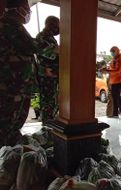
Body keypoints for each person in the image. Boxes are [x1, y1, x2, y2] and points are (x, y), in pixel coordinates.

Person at [0, 0, 36, 146]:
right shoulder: (10, 25)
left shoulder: (12, 25)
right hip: (10, 88)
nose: (29, 12)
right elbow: (34, 46)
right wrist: (56, 48)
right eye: (27, 8)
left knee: (12, 127)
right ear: (20, 9)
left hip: (15, 87)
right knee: (6, 126)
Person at [36, 16, 60, 126]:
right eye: (58, 26)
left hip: (51, 75)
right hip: (47, 75)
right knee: (48, 102)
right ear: (52, 25)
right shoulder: (43, 36)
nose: (59, 29)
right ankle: (47, 127)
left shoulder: (49, 37)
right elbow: (47, 52)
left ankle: (49, 125)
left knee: (51, 102)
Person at [106, 46, 121, 118]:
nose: (112, 53)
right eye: (111, 52)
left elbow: (118, 70)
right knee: (115, 97)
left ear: (117, 51)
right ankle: (116, 112)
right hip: (113, 80)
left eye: (113, 51)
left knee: (115, 97)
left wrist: (107, 70)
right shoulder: (114, 59)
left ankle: (115, 113)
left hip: (118, 81)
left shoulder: (120, 59)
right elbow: (112, 68)